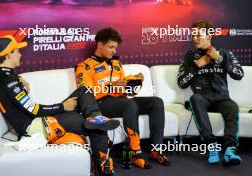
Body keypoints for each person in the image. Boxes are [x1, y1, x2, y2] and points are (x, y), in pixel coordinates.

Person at [0, 35, 119, 175]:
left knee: (84, 91)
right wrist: (62, 106)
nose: (20, 55)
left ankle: (95, 116)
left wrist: (18, 79)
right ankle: (104, 170)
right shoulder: (9, 81)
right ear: (8, 55)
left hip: (37, 120)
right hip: (34, 126)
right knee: (97, 128)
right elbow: (34, 110)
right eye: (17, 52)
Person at [75, 27, 171, 169]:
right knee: (129, 104)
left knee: (156, 102)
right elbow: (88, 93)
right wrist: (110, 87)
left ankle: (156, 150)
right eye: (111, 47)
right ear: (100, 44)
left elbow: (125, 90)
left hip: (121, 100)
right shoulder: (84, 67)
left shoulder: (116, 63)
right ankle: (135, 153)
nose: (114, 51)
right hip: (101, 104)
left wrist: (134, 81)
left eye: (115, 47)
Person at [177, 20, 244, 166]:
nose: (194, 38)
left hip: (222, 98)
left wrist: (219, 59)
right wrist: (197, 66)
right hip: (202, 98)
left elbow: (239, 74)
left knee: (232, 106)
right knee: (195, 99)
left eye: (198, 35)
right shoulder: (190, 56)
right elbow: (182, 83)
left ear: (209, 36)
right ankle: (211, 146)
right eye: (193, 35)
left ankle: (230, 150)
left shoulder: (224, 53)